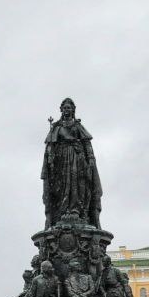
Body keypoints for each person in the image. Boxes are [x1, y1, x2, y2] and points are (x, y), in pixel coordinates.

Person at [41, 98, 102, 228]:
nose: (67, 110)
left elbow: (86, 143)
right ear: (61, 110)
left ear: (73, 110)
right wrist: (51, 157)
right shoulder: (56, 127)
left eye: (69, 108)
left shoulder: (77, 126)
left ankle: (76, 210)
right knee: (62, 184)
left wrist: (91, 158)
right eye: (65, 108)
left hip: (77, 157)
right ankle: (62, 211)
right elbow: (50, 146)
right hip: (61, 159)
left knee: (77, 182)